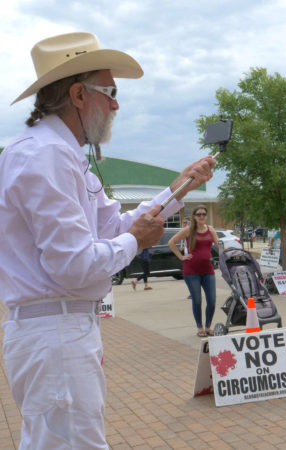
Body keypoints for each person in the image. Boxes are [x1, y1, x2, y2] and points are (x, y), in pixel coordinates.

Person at [0, 32, 215, 449]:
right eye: (110, 91)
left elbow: (112, 224)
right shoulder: (46, 155)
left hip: (58, 329)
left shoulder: (57, 152)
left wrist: (178, 191)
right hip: (56, 331)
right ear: (79, 94)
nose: (116, 104)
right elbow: (76, 265)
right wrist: (135, 242)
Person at [168, 205, 219, 337]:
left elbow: (218, 244)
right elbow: (171, 242)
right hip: (191, 272)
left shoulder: (211, 229)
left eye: (203, 214)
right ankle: (200, 327)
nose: (201, 216)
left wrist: (225, 251)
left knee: (212, 300)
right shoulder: (188, 230)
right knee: (197, 300)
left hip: (208, 270)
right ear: (194, 217)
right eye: (199, 214)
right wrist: (181, 257)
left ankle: (208, 326)